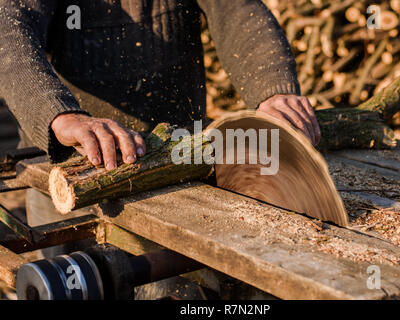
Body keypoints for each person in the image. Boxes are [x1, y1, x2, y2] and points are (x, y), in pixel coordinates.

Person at [0, 0, 320, 299]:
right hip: (69, 169)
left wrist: (272, 91)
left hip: (173, 166)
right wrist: (57, 113)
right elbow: (10, 27)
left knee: (178, 291)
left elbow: (236, 11)